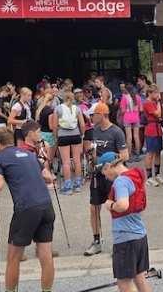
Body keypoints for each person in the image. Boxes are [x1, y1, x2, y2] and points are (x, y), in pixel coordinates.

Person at [0, 126, 56, 292]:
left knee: (13, 258)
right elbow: (48, 177)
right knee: (46, 258)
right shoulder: (28, 154)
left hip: (26, 208)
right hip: (46, 205)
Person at [96, 151, 156, 292]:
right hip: (140, 234)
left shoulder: (121, 181)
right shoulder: (135, 176)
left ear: (109, 166)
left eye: (104, 173)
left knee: (124, 284)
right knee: (140, 278)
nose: (106, 177)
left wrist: (110, 204)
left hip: (125, 238)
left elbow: (122, 204)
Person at [83, 102, 128, 256]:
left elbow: (125, 156)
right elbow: (93, 150)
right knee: (94, 208)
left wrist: (106, 159)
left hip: (112, 175)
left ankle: (120, 242)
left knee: (114, 207)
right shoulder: (94, 131)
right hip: (97, 174)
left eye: (92, 115)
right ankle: (97, 241)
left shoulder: (116, 132)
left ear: (100, 115)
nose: (90, 118)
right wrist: (91, 158)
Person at [56, 90, 86, 195]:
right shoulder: (77, 108)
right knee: (77, 161)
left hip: (63, 135)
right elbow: (82, 125)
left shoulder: (58, 108)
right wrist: (81, 135)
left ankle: (67, 186)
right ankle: (77, 184)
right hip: (75, 134)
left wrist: (56, 136)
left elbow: (54, 125)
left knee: (66, 162)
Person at [141, 85, 163, 186]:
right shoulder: (147, 103)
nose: (157, 95)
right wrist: (159, 104)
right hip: (151, 130)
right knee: (150, 153)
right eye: (155, 93)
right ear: (150, 93)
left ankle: (157, 174)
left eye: (157, 93)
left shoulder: (154, 102)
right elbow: (157, 114)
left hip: (158, 128)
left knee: (158, 152)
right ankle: (149, 176)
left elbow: (159, 116)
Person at [35, 91, 59, 180]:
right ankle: (48, 176)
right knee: (49, 159)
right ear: (52, 101)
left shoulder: (40, 109)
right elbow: (51, 126)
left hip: (42, 133)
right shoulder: (50, 111)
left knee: (43, 156)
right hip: (49, 135)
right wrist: (56, 131)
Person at [119, 85, 143, 162]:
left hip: (127, 118)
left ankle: (129, 155)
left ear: (126, 90)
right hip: (136, 117)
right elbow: (141, 109)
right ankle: (138, 155)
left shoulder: (124, 97)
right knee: (136, 137)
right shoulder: (137, 97)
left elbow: (122, 110)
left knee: (129, 137)